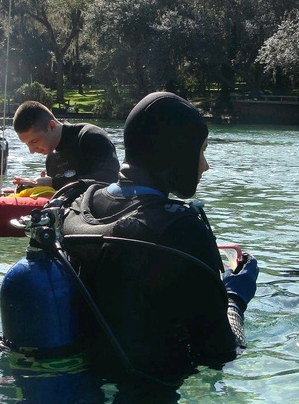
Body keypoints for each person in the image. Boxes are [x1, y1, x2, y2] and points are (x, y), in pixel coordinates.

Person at [58, 91, 259, 382]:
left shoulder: (77, 205)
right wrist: (235, 298)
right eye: (201, 151)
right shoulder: (181, 228)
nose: (205, 165)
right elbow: (222, 352)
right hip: (148, 390)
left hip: (80, 373)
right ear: (177, 154)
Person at [11, 101, 120, 190]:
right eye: (26, 144)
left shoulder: (91, 137)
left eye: (34, 141)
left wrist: (54, 183)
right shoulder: (51, 156)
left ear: (52, 126)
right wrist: (38, 188)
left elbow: (110, 178)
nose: (31, 151)